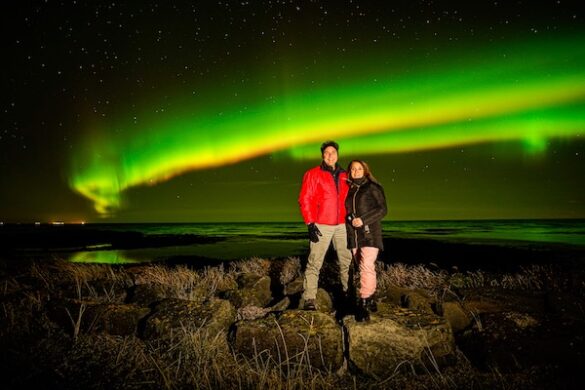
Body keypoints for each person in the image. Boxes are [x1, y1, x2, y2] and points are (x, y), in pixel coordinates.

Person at [299, 141, 353, 311]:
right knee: (314, 262)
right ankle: (309, 298)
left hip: (343, 225)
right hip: (321, 224)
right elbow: (305, 198)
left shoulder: (346, 175)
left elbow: (351, 198)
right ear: (322, 155)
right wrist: (310, 223)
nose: (330, 155)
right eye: (327, 152)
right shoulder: (313, 174)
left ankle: (348, 294)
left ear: (338, 155)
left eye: (333, 152)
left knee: (346, 261)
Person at [345, 160, 387, 321]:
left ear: (365, 170)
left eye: (359, 168)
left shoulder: (372, 187)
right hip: (355, 235)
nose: (356, 171)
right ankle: (372, 297)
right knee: (360, 265)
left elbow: (383, 210)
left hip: (370, 234)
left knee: (366, 265)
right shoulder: (350, 190)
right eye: (353, 169)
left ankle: (365, 300)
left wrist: (363, 220)